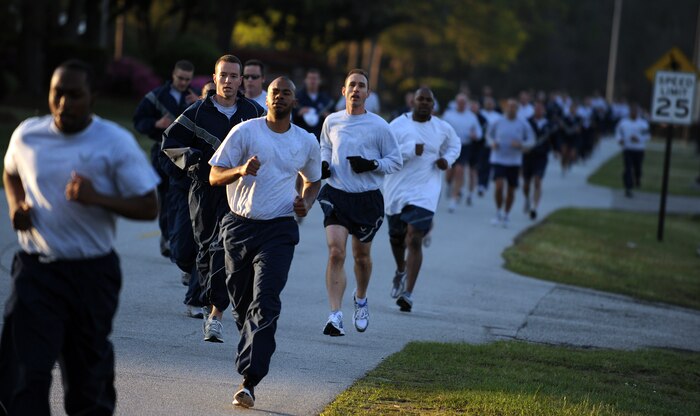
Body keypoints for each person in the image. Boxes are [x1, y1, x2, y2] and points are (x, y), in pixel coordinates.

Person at [0, 59, 159, 415]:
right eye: (58, 94)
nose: (64, 104)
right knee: (24, 375)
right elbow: (10, 171)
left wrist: (97, 197)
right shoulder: (27, 135)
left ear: (93, 97)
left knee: (88, 380)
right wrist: (16, 205)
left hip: (91, 275)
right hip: (35, 272)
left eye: (75, 95)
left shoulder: (114, 142)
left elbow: (150, 206)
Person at [208, 76, 322, 409]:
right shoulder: (245, 132)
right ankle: (250, 341)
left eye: (287, 93)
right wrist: (240, 170)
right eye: (275, 92)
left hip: (279, 230)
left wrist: (305, 202)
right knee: (243, 308)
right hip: (239, 227)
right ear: (267, 98)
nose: (280, 97)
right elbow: (215, 175)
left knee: (266, 301)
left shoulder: (305, 141)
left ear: (294, 101)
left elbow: (313, 181)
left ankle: (249, 380)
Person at [161, 54, 266, 343]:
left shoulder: (254, 113)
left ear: (241, 80)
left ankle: (216, 313)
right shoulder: (196, 112)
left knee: (224, 248)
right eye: (224, 76)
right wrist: (190, 160)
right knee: (195, 250)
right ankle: (208, 293)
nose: (229, 81)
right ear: (215, 77)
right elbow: (169, 144)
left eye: (234, 76)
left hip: (237, 193)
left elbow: (272, 144)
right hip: (203, 190)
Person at [318, 68, 402, 336]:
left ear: (368, 93)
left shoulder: (379, 126)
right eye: (351, 85)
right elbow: (325, 146)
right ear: (343, 91)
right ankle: (335, 315)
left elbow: (395, 161)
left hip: (367, 199)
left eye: (361, 86)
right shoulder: (332, 121)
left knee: (361, 257)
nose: (356, 89)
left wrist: (372, 164)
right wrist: (323, 164)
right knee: (336, 252)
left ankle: (361, 299)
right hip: (336, 194)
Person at [384, 88, 460, 312]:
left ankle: (408, 293)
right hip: (397, 190)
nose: (425, 103)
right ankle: (400, 270)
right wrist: (409, 149)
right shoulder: (397, 125)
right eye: (421, 99)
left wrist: (447, 159)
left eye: (429, 100)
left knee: (414, 238)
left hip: (426, 190)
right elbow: (385, 152)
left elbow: (456, 145)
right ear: (412, 101)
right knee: (397, 238)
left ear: (433, 105)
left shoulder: (442, 128)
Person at [133, 60, 199, 258]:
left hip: (186, 156)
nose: (183, 82)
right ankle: (168, 237)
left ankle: (178, 239)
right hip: (161, 153)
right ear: (173, 75)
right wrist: (156, 123)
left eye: (187, 79)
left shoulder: (194, 97)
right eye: (180, 78)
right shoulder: (156, 97)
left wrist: (200, 102)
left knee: (179, 198)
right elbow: (138, 121)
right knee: (164, 196)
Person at [487, 98, 535, 227]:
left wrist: (521, 145)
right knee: (499, 186)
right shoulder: (498, 121)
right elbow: (488, 135)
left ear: (517, 109)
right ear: (505, 108)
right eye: (509, 106)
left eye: (514, 107)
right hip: (498, 158)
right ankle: (498, 212)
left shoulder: (523, 123)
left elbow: (532, 140)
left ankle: (507, 214)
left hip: (514, 161)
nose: (511, 109)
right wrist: (492, 143)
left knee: (511, 190)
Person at [442, 93, 482, 210]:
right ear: (456, 103)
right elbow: (441, 128)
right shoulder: (449, 114)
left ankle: (454, 200)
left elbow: (479, 132)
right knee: (449, 171)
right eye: (459, 102)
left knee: (460, 170)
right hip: (450, 146)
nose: (461, 105)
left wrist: (475, 135)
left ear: (466, 104)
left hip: (465, 146)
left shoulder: (471, 116)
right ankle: (449, 184)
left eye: (464, 103)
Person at [522, 101, 557, 220]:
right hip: (528, 156)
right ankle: (527, 198)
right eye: (536, 109)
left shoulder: (549, 124)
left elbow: (555, 139)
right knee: (526, 183)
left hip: (541, 156)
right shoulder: (527, 122)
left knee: (537, 180)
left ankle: (534, 208)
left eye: (540, 109)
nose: (538, 111)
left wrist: (557, 149)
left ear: (544, 111)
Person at [615, 103, 650, 198]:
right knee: (628, 168)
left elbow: (647, 136)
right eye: (632, 111)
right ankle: (628, 187)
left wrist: (639, 139)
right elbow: (618, 132)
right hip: (628, 148)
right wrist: (620, 140)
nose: (633, 113)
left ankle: (637, 178)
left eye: (635, 112)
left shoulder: (643, 123)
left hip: (639, 149)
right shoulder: (623, 122)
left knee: (637, 168)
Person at [293, 68, 334, 140]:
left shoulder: (327, 100)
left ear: (320, 81)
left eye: (315, 79)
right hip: (300, 138)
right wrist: (298, 113)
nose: (312, 81)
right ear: (305, 80)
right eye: (310, 78)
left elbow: (334, 119)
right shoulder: (297, 98)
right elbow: (289, 117)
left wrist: (328, 117)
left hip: (319, 139)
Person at [477, 96, 503, 196]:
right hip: (481, 143)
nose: (489, 105)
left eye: (491, 103)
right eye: (487, 103)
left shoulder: (498, 116)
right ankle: (480, 183)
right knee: (481, 164)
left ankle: (484, 184)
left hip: (493, 144)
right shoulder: (481, 114)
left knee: (489, 165)